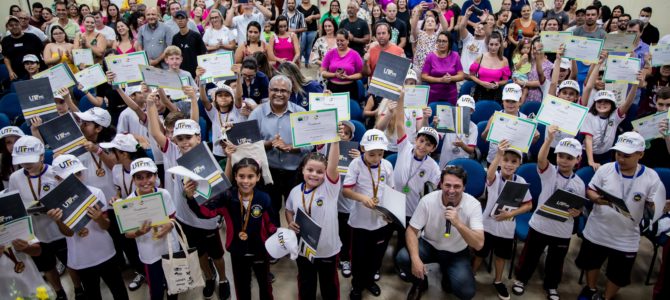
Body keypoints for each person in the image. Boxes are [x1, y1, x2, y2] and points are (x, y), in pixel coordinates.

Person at [145, 89, 231, 300]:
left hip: (207, 219)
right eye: (179, 138)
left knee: (217, 254)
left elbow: (221, 187)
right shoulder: (171, 151)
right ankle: (209, 277)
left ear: (198, 137)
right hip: (183, 217)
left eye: (188, 137)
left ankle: (223, 279)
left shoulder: (206, 156)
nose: (184, 142)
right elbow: (156, 132)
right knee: (198, 252)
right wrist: (150, 106)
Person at [577, 131, 667, 300]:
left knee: (618, 273)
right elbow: (591, 189)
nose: (620, 159)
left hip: (626, 235)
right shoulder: (606, 169)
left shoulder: (651, 177)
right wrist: (595, 198)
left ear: (640, 154)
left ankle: (607, 297)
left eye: (626, 155)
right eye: (618, 154)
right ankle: (590, 289)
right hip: (598, 229)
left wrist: (658, 205)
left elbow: (653, 205)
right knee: (591, 262)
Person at [187, 157, 276, 300]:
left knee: (264, 284)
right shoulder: (227, 197)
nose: (245, 181)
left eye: (250, 176)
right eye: (241, 176)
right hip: (237, 250)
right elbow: (206, 213)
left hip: (260, 249)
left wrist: (279, 238)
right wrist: (191, 199)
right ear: (235, 176)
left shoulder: (264, 198)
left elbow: (271, 223)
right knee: (242, 286)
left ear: (258, 177)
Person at [512, 127, 584, 300]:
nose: (564, 161)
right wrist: (549, 139)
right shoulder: (549, 172)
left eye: (569, 157)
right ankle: (521, 279)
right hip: (540, 225)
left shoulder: (580, 183)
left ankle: (551, 286)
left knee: (556, 261)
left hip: (562, 229)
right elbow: (541, 158)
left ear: (578, 159)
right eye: (560, 156)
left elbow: (579, 206)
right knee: (530, 255)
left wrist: (577, 212)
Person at [46, 155, 129, 300]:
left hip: (106, 252)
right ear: (57, 178)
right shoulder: (56, 201)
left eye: (78, 173)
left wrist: (98, 219)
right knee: (92, 294)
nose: (77, 179)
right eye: (70, 176)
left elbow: (106, 225)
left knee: (119, 291)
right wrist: (58, 221)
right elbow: (68, 234)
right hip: (82, 258)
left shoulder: (95, 192)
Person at [395, 165, 483, 300]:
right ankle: (420, 283)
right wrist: (415, 259)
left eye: (457, 186)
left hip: (457, 252)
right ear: (440, 184)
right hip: (429, 245)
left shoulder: (473, 205)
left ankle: (447, 275)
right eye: (447, 185)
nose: (451, 190)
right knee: (404, 257)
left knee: (466, 292)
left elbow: (478, 244)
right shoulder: (428, 200)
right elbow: (411, 231)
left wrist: (458, 223)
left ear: (464, 187)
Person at [6, 136, 69, 300]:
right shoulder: (15, 178)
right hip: (37, 232)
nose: (26, 164)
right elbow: (15, 204)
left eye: (30, 159)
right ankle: (59, 292)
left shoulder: (55, 173)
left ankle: (78, 289)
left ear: (41, 156)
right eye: (22, 160)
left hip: (59, 229)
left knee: (70, 263)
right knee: (47, 266)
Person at [472, 140, 532, 300]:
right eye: (505, 160)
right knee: (480, 254)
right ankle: (472, 274)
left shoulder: (521, 182)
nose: (509, 164)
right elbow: (489, 175)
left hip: (506, 227)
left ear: (519, 163)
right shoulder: (495, 177)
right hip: (488, 225)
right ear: (500, 161)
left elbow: (528, 205)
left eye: (514, 161)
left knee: (501, 257)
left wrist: (511, 213)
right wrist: (499, 154)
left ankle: (498, 281)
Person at [248, 75, 311, 226]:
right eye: (275, 90)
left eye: (283, 90)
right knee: (270, 213)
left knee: (298, 211)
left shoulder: (300, 112)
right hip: (268, 172)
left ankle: (297, 246)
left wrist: (291, 148)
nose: (279, 93)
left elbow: (310, 145)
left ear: (290, 93)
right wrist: (269, 144)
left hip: (295, 173)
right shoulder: (257, 114)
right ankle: (275, 245)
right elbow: (249, 144)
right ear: (268, 91)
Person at [343, 128, 395, 299]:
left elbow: (391, 190)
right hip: (360, 222)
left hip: (381, 221)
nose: (376, 158)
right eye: (372, 154)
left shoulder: (387, 165)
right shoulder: (355, 164)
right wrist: (362, 198)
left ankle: (370, 280)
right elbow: (346, 191)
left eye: (380, 154)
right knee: (359, 256)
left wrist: (391, 211)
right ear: (363, 149)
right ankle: (357, 285)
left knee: (376, 256)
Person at [285, 140, 341, 300]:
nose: (314, 174)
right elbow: (288, 210)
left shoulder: (329, 188)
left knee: (329, 284)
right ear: (302, 169)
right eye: (310, 169)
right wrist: (290, 222)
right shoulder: (295, 191)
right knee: (306, 283)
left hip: (327, 250)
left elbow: (333, 165)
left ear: (326, 174)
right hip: (303, 248)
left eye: (319, 172)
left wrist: (335, 141)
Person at [122, 157, 179, 300]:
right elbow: (127, 234)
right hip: (149, 252)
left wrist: (169, 225)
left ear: (156, 176)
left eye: (149, 176)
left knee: (174, 285)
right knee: (156, 289)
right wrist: (139, 232)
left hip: (169, 247)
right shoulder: (128, 203)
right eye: (139, 177)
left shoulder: (164, 194)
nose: (145, 181)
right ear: (133, 180)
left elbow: (173, 217)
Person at [98, 134, 149, 292]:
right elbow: (119, 190)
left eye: (113, 151)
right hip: (125, 213)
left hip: (143, 213)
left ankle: (154, 272)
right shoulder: (117, 169)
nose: (111, 155)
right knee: (129, 245)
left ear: (124, 153)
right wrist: (117, 199)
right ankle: (140, 272)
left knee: (146, 244)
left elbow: (151, 193)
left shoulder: (144, 168)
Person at [582, 85, 637, 170]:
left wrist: (635, 85)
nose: (602, 104)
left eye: (606, 102)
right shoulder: (589, 116)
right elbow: (588, 139)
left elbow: (628, 103)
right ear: (594, 103)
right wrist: (591, 161)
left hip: (606, 154)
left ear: (612, 104)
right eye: (599, 101)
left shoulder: (614, 116)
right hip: (588, 154)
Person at [421, 31, 464, 104]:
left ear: (449, 43)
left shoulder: (455, 56)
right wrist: (440, 80)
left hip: (450, 96)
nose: (441, 44)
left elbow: (461, 76)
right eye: (439, 41)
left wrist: (451, 78)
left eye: (444, 41)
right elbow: (423, 76)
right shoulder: (430, 56)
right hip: (433, 96)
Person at [320, 28, 364, 101]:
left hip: (350, 88)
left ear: (347, 41)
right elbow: (323, 72)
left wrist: (348, 77)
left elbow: (361, 74)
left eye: (342, 40)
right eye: (337, 40)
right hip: (332, 88)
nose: (339, 43)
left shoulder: (355, 54)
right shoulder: (330, 53)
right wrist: (334, 75)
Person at [437, 96, 478, 169]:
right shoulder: (447, 119)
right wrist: (436, 126)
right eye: (461, 107)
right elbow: (438, 137)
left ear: (472, 111)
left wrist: (462, 145)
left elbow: (471, 150)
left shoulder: (473, 127)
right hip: (445, 159)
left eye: (467, 109)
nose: (464, 110)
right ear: (456, 107)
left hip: (462, 161)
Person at [469, 32, 511, 103]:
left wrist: (498, 84)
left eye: (496, 44)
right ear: (487, 44)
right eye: (491, 44)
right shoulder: (480, 57)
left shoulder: (504, 60)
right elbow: (471, 75)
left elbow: (505, 80)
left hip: (496, 94)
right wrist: (481, 82)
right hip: (480, 92)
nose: (493, 47)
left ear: (500, 44)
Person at [411, 4, 449, 80]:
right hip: (418, 68)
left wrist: (439, 13)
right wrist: (418, 11)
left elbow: (445, 28)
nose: (430, 22)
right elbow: (413, 26)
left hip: (432, 68)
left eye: (432, 21)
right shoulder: (420, 34)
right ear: (424, 25)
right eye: (427, 21)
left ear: (436, 26)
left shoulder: (438, 36)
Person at [2, 16, 45, 81]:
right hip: (18, 75)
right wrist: (10, 71)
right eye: (11, 25)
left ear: (20, 25)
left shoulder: (32, 37)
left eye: (16, 24)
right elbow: (6, 58)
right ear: (7, 27)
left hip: (36, 72)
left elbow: (43, 51)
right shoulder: (5, 40)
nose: (14, 27)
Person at [171, 10, 207, 77]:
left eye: (182, 18)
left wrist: (199, 73)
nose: (180, 20)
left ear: (187, 20)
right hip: (182, 74)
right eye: (178, 18)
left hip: (196, 74)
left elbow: (203, 54)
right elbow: (174, 57)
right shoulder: (175, 38)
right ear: (175, 21)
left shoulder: (196, 36)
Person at [458, 5, 488, 80]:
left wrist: (484, 21)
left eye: (482, 29)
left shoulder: (487, 42)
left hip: (477, 79)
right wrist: (467, 15)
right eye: (478, 27)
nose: (479, 29)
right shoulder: (468, 38)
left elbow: (490, 34)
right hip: (462, 77)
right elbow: (462, 27)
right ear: (474, 28)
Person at [297, 0, 320, 68]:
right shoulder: (298, 8)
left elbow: (319, 15)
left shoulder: (314, 7)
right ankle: (298, 62)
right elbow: (296, 17)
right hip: (302, 30)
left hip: (312, 30)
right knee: (302, 46)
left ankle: (307, 62)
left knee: (309, 47)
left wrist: (312, 17)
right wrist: (305, 19)